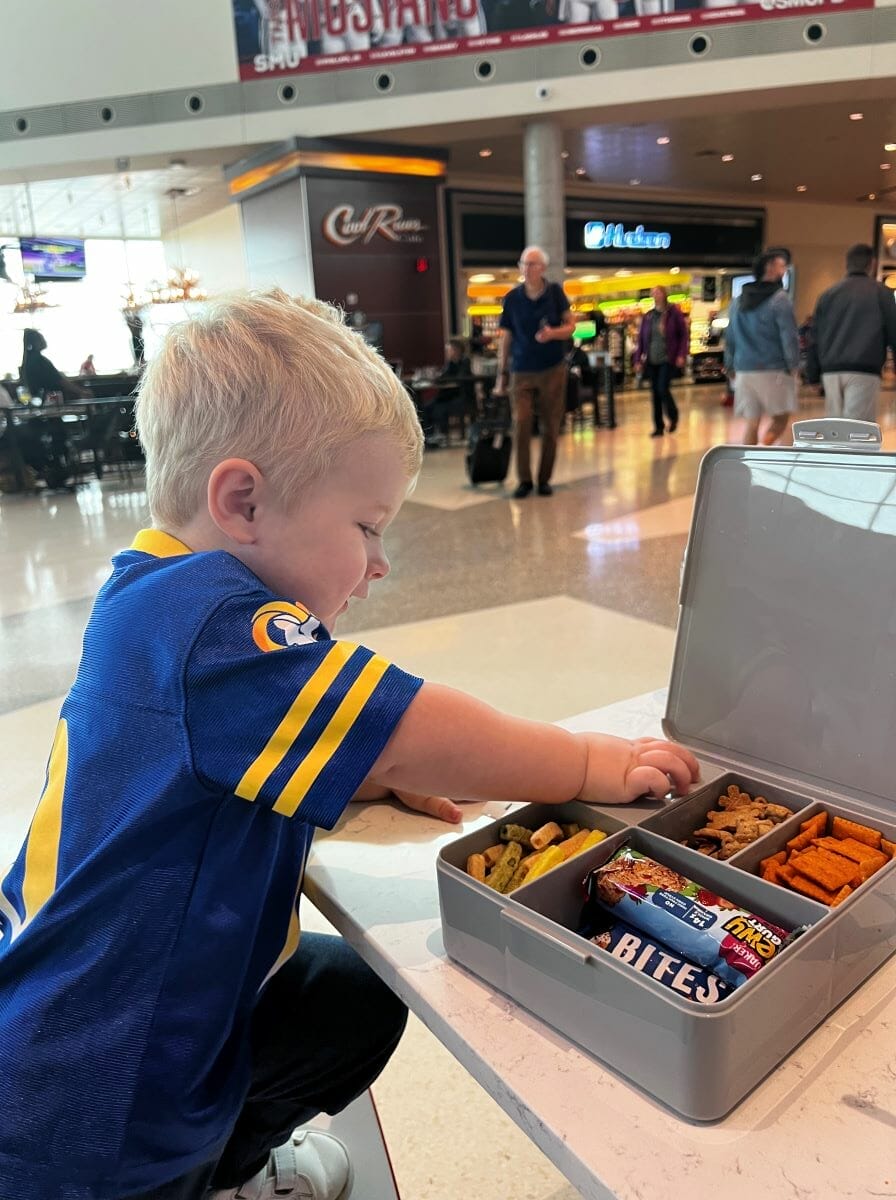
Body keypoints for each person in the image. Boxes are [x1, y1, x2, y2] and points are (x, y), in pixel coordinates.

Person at [0, 290, 698, 1200]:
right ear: (243, 500)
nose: (379, 563)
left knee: (352, 997)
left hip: (75, 1013)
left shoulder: (148, 595)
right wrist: (586, 763)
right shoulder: (217, 625)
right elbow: (418, 731)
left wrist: (357, 765)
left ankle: (229, 1160)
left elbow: (195, 777)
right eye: (367, 527)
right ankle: (207, 1175)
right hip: (108, 1087)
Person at [497, 245, 576, 498]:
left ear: (542, 268)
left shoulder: (555, 293)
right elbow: (506, 338)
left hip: (552, 368)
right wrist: (502, 373)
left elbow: (571, 326)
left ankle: (544, 479)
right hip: (521, 370)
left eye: (531, 264)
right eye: (523, 264)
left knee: (550, 426)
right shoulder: (512, 299)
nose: (526, 269)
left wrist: (553, 333)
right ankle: (524, 480)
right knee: (521, 422)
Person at [806, 243, 896, 422]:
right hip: (864, 369)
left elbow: (814, 337)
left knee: (835, 427)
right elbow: (894, 332)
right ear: (872, 263)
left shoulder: (828, 294)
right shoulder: (881, 293)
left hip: (831, 371)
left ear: (847, 264)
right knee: (857, 430)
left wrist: (813, 374)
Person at [724, 250, 800, 446]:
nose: (784, 270)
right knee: (781, 418)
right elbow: (788, 336)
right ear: (770, 268)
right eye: (781, 266)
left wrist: (730, 365)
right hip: (773, 368)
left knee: (752, 422)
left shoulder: (738, 301)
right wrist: (793, 365)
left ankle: (750, 462)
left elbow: (730, 336)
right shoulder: (779, 299)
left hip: (744, 370)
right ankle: (766, 450)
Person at [634, 286, 688, 438]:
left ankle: (673, 415)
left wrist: (681, 354)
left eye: (657, 292)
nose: (655, 295)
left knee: (662, 388)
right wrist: (638, 359)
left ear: (664, 295)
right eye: (653, 293)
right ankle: (658, 426)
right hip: (652, 359)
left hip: (667, 358)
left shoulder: (674, 314)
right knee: (655, 393)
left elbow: (683, 335)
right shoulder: (649, 317)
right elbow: (641, 340)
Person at [421, 337, 473, 446]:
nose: (447, 353)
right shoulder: (450, 363)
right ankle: (429, 436)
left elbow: (461, 378)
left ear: (456, 350)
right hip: (447, 396)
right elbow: (442, 377)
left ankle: (442, 435)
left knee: (439, 409)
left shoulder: (465, 361)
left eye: (449, 350)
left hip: (460, 396)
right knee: (426, 407)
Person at [19, 329, 90, 402]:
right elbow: (60, 380)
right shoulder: (40, 361)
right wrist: (81, 392)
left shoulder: (28, 361)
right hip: (50, 400)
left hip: (39, 400)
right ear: (35, 342)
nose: (44, 341)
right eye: (41, 339)